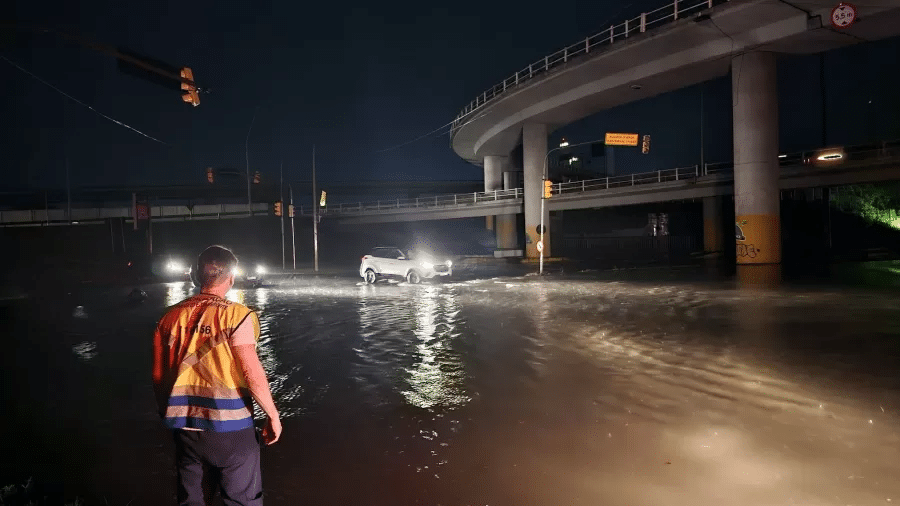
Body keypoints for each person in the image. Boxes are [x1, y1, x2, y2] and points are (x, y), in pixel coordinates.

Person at [153, 245, 281, 505]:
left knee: (191, 498)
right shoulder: (238, 315)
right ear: (231, 278)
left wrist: (169, 414)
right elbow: (251, 371)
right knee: (241, 498)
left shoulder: (168, 317)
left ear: (196, 277)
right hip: (231, 428)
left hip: (185, 427)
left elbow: (158, 375)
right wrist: (273, 415)